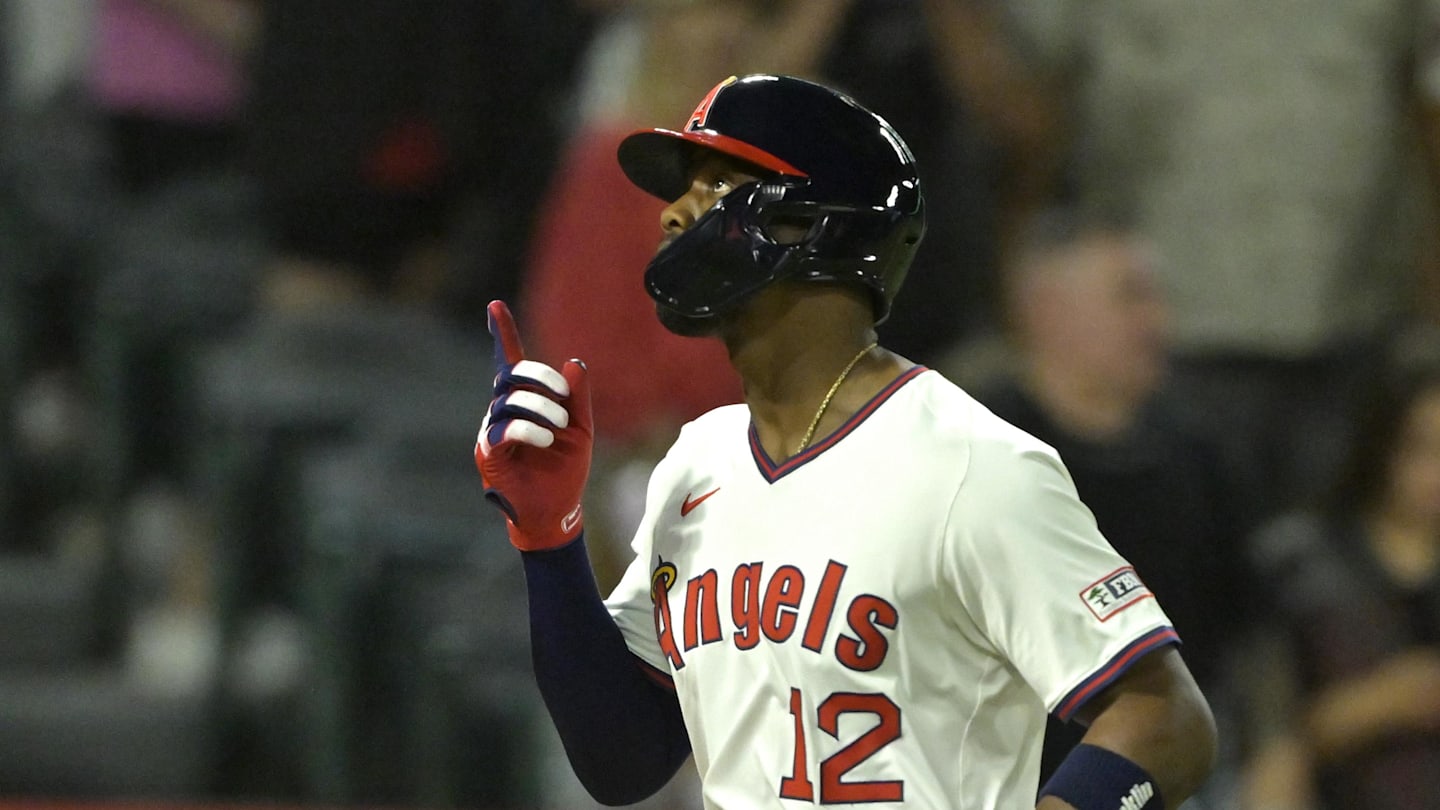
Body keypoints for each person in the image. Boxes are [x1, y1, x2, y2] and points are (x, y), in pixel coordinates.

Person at [475, 74, 1217, 808]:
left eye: (717, 184)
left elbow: (1167, 719)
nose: (673, 215)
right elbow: (623, 763)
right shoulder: (698, 465)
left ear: (816, 221)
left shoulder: (971, 466)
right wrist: (549, 540)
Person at [948, 211, 1253, 800]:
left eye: (1157, 298)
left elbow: (1244, 638)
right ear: (1047, 311)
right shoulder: (972, 448)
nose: (1157, 322)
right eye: (1130, 298)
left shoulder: (1196, 453)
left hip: (1179, 774)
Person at [1242, 329, 1440, 810]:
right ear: (1382, 445)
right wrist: (1378, 705)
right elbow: (1261, 735)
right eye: (1423, 449)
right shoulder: (1300, 563)